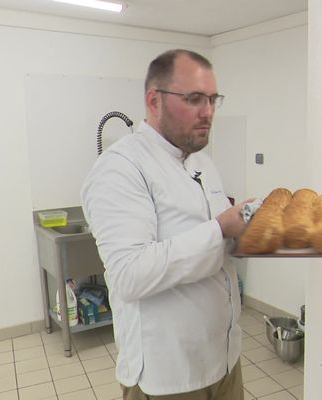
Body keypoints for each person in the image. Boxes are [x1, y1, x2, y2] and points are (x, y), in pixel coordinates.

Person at [81, 49, 250, 400]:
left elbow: (217, 245)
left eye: (213, 99)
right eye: (193, 99)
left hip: (225, 362)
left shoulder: (203, 162)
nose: (208, 112)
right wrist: (220, 229)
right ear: (154, 101)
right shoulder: (122, 167)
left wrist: (247, 234)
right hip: (169, 378)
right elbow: (130, 274)